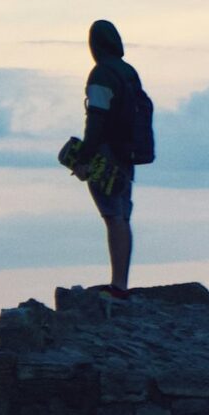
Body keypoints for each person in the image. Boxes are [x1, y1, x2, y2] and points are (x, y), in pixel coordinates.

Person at [71, 19, 142, 296]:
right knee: (122, 215)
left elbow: (97, 119)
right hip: (127, 152)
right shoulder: (129, 72)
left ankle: (118, 285)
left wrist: (84, 158)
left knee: (112, 216)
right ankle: (121, 281)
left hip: (106, 155)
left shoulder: (101, 74)